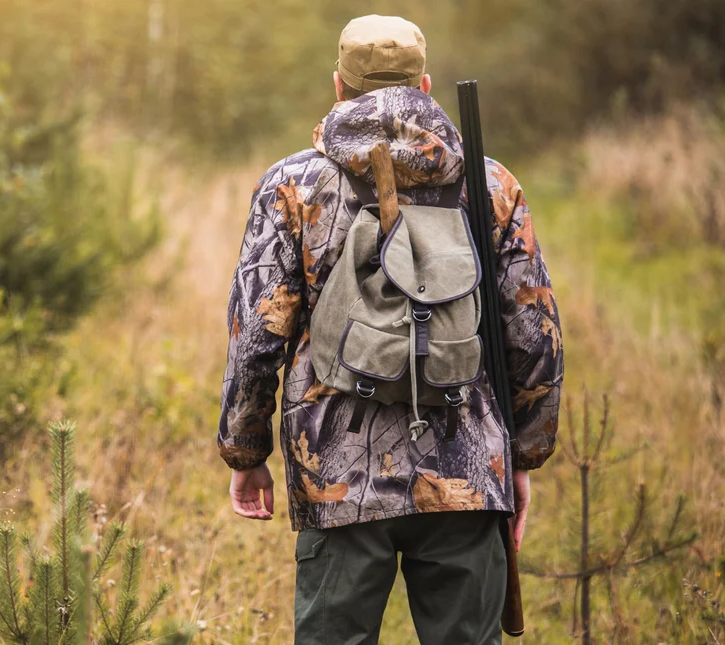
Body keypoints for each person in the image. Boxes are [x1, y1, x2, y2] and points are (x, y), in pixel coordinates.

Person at [217, 14, 564, 644]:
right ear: (426, 87)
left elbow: (257, 332)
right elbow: (533, 332)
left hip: (336, 473)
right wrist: (523, 455)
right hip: (468, 464)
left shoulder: (293, 185)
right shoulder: (490, 183)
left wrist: (246, 451)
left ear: (338, 86)